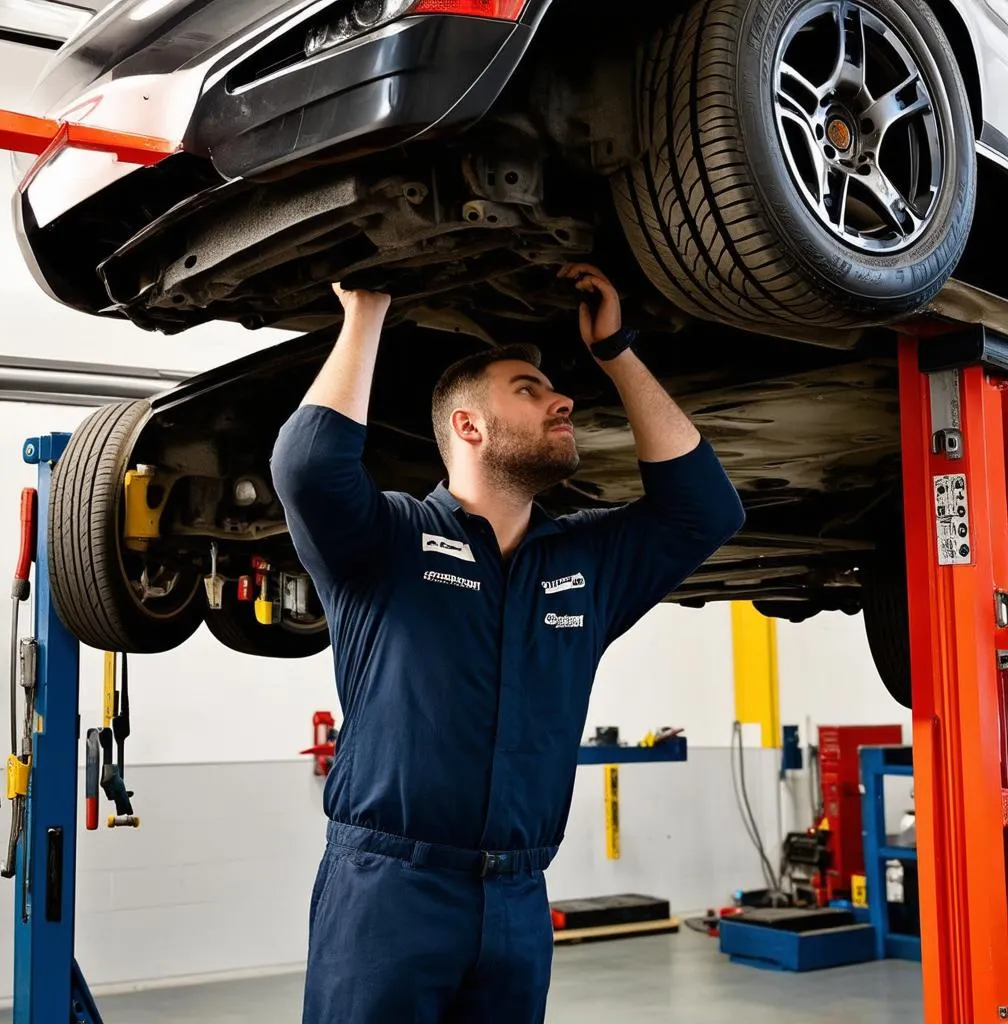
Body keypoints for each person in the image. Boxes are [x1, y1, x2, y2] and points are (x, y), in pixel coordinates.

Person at [271, 263, 745, 1024]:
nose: (562, 400)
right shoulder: (391, 540)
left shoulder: (583, 562)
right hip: (391, 891)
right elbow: (307, 467)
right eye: (528, 390)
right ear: (469, 426)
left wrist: (617, 351)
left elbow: (706, 511)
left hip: (519, 897)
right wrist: (366, 312)